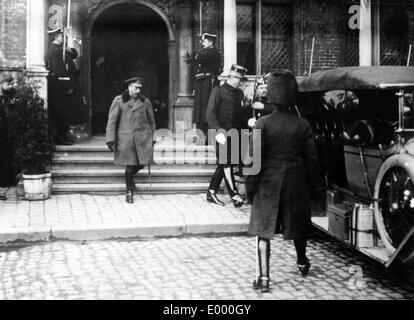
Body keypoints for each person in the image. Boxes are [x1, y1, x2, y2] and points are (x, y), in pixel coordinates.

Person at [246, 70, 318, 292]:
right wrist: (310, 187)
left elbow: (254, 161)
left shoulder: (262, 124)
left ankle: (264, 279)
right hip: (296, 183)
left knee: (263, 229)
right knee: (298, 226)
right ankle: (302, 261)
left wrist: (250, 188)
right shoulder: (303, 124)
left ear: (271, 96)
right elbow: (312, 160)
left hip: (268, 182)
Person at [105, 77, 156, 204]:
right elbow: (112, 122)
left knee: (142, 162)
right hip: (126, 139)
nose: (138, 90)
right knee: (130, 167)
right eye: (135, 87)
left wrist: (154, 137)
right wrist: (110, 139)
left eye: (140, 87)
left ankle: (130, 180)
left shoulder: (145, 101)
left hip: (143, 138)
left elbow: (152, 121)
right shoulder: (119, 101)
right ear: (129, 87)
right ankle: (129, 192)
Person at [206, 64, 250, 208]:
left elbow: (241, 115)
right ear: (231, 77)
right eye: (238, 78)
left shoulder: (239, 94)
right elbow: (210, 114)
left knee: (225, 163)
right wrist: (218, 131)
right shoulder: (217, 91)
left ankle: (211, 192)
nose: (240, 82)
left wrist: (248, 120)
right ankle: (235, 195)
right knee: (226, 163)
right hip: (221, 135)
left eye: (241, 79)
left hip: (235, 135)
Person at [47, 28, 86, 145]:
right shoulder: (54, 51)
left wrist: (67, 48)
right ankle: (60, 137)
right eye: (61, 36)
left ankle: (64, 135)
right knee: (63, 112)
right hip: (62, 86)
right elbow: (59, 70)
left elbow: (74, 54)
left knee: (67, 111)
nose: (63, 38)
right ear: (56, 37)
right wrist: (67, 86)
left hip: (67, 83)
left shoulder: (61, 49)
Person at [193, 33, 222, 134]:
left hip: (209, 82)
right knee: (199, 108)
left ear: (210, 42)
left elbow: (199, 59)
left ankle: (207, 133)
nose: (202, 43)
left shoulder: (215, 53)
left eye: (204, 41)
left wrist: (198, 55)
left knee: (206, 106)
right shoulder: (205, 52)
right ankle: (200, 132)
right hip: (201, 82)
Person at [0, 74, 20, 189]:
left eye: (11, 84)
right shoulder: (2, 98)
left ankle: (10, 179)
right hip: (3, 130)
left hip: (12, 128)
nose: (10, 86)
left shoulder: (14, 95)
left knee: (11, 155)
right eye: (8, 84)